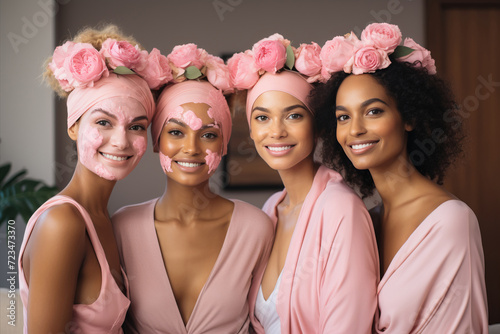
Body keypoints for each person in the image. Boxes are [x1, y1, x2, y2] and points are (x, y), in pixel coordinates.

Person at [311, 23, 488, 333]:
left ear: (410, 117)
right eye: (343, 116)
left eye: (374, 111)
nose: (355, 130)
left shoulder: (450, 222)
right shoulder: (367, 218)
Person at [111, 44, 274, 334]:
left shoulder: (255, 228)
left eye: (208, 135)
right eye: (176, 132)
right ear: (157, 141)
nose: (191, 148)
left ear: (223, 146)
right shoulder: (122, 228)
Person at [228, 33, 379, 333]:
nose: (276, 132)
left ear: (317, 125)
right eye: (262, 118)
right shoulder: (271, 208)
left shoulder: (341, 210)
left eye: (294, 116)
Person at [17, 25, 162, 334]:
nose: (121, 141)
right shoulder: (62, 223)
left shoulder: (108, 220)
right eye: (103, 122)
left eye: (136, 127)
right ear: (74, 127)